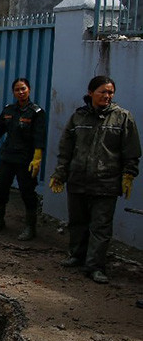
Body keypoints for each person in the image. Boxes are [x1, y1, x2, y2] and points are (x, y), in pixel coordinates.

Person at [49, 75, 141, 284]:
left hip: (106, 183)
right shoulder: (78, 117)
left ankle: (95, 267)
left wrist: (128, 174)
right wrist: (60, 174)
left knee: (100, 227)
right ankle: (76, 256)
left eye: (110, 92)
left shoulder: (123, 118)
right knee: (78, 223)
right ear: (91, 93)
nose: (107, 96)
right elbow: (66, 149)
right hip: (78, 180)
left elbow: (132, 151)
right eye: (102, 91)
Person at [0, 78, 46, 241]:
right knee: (0, 190)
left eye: (23, 89)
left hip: (25, 159)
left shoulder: (36, 112)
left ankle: (30, 228)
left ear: (29, 90)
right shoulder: (9, 110)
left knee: (27, 193)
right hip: (7, 157)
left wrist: (37, 158)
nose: (21, 92)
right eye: (17, 90)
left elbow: (40, 137)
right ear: (13, 92)